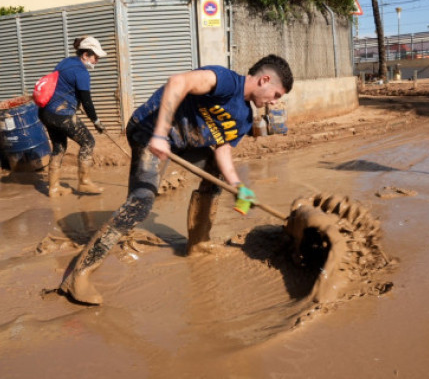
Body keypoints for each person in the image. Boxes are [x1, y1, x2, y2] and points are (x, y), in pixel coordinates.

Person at [60, 54, 294, 305]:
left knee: (216, 177)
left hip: (183, 144)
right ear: (264, 80)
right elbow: (177, 82)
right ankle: (79, 275)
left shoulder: (244, 119)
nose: (273, 103)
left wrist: (237, 185)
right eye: (277, 95)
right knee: (140, 203)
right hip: (150, 131)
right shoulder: (226, 81)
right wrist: (161, 134)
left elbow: (222, 147)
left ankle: (198, 244)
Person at [40, 36, 107, 197]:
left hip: (45, 112)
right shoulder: (81, 72)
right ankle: (84, 182)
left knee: (59, 147)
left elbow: (63, 85)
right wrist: (96, 122)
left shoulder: (66, 62)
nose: (97, 60)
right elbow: (87, 102)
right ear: (85, 55)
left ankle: (54, 188)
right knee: (88, 141)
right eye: (95, 57)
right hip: (61, 114)